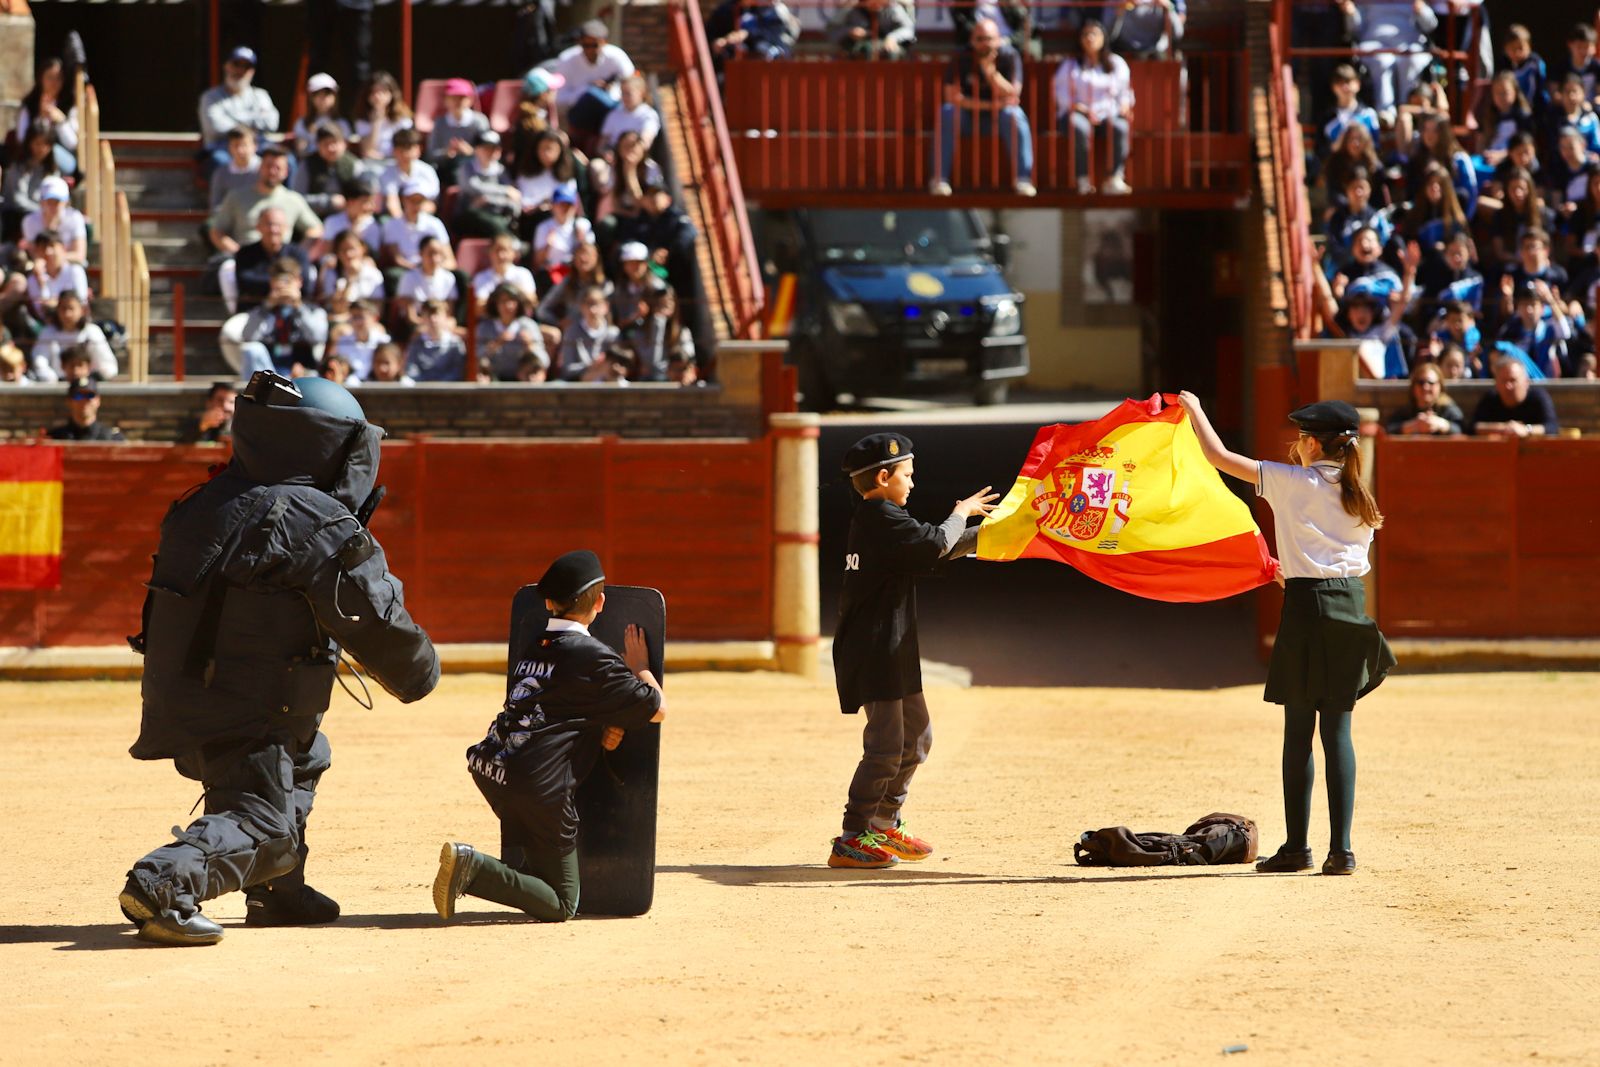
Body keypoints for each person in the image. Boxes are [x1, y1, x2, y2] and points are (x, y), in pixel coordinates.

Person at [118, 372, 438, 946]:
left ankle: (278, 889)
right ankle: (164, 881)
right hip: (249, 705)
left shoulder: (205, 499)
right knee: (265, 824)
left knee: (304, 757)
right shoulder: (313, 520)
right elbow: (378, 621)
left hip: (187, 693)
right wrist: (420, 673)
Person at [1179, 393, 1393, 878]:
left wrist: (1194, 408)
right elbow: (1337, 563)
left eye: (1302, 437)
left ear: (1315, 444)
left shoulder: (1292, 481)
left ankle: (1297, 847)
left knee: (1299, 732)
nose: (1296, 443)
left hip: (1305, 610)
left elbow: (1217, 458)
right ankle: (1342, 851)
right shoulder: (1361, 493)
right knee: (1337, 731)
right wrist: (1290, 573)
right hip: (1349, 607)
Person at [432, 549, 663, 923]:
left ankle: (477, 869)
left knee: (542, 875)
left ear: (548, 602)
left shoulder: (534, 644)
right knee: (561, 903)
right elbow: (656, 707)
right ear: (600, 602)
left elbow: (559, 709)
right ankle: (471, 867)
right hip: (539, 787)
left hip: (494, 769)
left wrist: (604, 724)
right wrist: (640, 668)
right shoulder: (593, 657)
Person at [829, 433, 998, 869]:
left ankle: (885, 821)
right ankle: (852, 836)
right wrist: (961, 513)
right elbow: (937, 543)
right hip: (873, 651)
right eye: (907, 475)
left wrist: (998, 532)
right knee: (886, 746)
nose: (912, 483)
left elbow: (936, 550)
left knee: (917, 737)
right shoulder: (879, 516)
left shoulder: (883, 518)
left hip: (891, 647)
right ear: (883, 478)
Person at [931, 19, 1036, 198]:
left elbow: (1012, 95)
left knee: (1014, 115)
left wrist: (989, 71)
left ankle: (1023, 179)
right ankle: (939, 179)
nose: (984, 43)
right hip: (968, 119)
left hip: (998, 120)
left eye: (989, 38)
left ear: (998, 39)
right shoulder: (961, 57)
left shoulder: (1009, 55)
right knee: (947, 112)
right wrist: (991, 105)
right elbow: (951, 97)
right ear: (972, 40)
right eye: (979, 39)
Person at [1053, 19, 1135, 195]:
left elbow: (1125, 92)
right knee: (1079, 127)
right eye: (1085, 34)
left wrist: (1124, 106)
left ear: (1103, 38)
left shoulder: (1116, 63)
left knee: (1120, 127)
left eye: (1094, 34)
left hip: (1108, 115)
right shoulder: (1070, 65)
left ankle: (1114, 178)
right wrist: (1082, 109)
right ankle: (1082, 180)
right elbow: (1062, 95)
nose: (1089, 38)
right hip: (1078, 114)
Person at [208, 144, 323, 255]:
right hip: (244, 259)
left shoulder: (294, 199)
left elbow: (316, 228)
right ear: (260, 167)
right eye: (268, 166)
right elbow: (217, 231)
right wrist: (239, 253)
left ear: (286, 172)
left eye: (278, 168)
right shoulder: (236, 196)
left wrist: (297, 253)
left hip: (282, 261)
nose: (272, 172)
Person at [1337, 0, 1438, 122]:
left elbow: (1431, 25)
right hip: (1374, 42)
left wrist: (1421, 10)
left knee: (1411, 59)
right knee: (1381, 60)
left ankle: (1406, 109)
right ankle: (1386, 112)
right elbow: (1355, 28)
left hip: (1409, 43)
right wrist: (1351, 13)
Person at [234, 259, 330, 376]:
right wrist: (267, 307)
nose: (283, 286)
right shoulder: (262, 311)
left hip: (302, 371)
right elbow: (248, 337)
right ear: (271, 283)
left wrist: (298, 306)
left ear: (299, 281)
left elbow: (318, 337)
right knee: (252, 350)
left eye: (288, 281)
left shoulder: (313, 311)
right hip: (268, 371)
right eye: (279, 281)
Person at [198, 46, 281, 174]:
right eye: (236, 64)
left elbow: (272, 123)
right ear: (226, 66)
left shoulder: (261, 95)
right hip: (224, 148)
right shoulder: (210, 96)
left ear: (252, 71)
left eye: (246, 67)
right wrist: (255, 119)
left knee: (284, 161)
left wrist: (233, 119)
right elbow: (216, 127)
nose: (240, 70)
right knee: (220, 162)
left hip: (257, 146)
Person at [547, 21, 637, 136]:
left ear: (604, 42)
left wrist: (611, 90)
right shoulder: (567, 59)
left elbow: (633, 85)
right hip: (578, 117)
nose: (590, 50)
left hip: (611, 114)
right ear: (579, 42)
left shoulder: (617, 57)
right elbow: (557, 98)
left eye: (594, 45)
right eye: (586, 45)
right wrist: (586, 90)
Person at [221, 207, 315, 315]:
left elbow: (306, 283)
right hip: (254, 311)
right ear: (258, 227)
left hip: (293, 310)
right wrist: (282, 285)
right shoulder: (245, 253)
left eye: (278, 225)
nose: (273, 229)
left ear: (286, 228)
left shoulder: (298, 253)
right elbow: (245, 281)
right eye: (269, 224)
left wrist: (277, 288)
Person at [30, 289, 116, 381]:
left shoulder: (92, 332)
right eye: (63, 309)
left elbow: (108, 365)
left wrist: (91, 379)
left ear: (82, 310)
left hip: (87, 387)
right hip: (56, 386)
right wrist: (52, 379)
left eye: (71, 308)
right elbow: (39, 361)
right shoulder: (48, 332)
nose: (67, 314)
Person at [16, 57, 80, 177]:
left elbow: (72, 143)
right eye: (50, 77)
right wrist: (40, 119)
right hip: (30, 159)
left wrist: (60, 120)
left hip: (59, 161)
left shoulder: (69, 105)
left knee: (49, 150)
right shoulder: (30, 105)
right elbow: (21, 138)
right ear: (41, 78)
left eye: (58, 78)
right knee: (38, 147)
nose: (54, 83)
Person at [455, 130, 522, 239]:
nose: (491, 152)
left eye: (495, 148)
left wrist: (489, 200)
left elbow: (513, 200)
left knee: (500, 221)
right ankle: (513, 243)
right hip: (468, 216)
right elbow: (473, 187)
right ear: (476, 149)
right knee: (492, 221)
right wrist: (504, 191)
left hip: (496, 214)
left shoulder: (501, 170)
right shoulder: (467, 167)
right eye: (487, 148)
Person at [1470, 355, 1558, 436]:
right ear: (1496, 383)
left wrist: (1526, 430)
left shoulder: (1538, 398)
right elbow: (1473, 427)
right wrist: (1504, 428)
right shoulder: (1490, 399)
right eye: (1504, 381)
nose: (1508, 386)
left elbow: (1552, 427)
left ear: (1526, 382)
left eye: (1513, 380)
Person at [426, 78, 490, 186]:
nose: (457, 101)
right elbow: (431, 155)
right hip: (446, 171)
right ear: (446, 100)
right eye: (453, 98)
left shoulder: (480, 121)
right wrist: (446, 153)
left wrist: (471, 152)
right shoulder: (440, 123)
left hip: (474, 171)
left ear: (470, 100)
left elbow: (489, 152)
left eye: (462, 97)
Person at [478, 283, 547, 381]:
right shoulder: (485, 327)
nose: (508, 306)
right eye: (503, 301)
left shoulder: (528, 326)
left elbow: (545, 361)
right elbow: (474, 358)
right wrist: (495, 345)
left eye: (512, 301)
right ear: (495, 304)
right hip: (493, 379)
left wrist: (530, 346)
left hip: (523, 380)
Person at [292, 124, 361, 219]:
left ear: (344, 143)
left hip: (347, 217)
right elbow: (297, 198)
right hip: (314, 217)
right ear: (317, 145)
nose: (331, 148)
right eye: (326, 144)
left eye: (335, 142)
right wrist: (327, 202)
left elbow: (362, 196)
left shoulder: (354, 164)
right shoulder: (307, 164)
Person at [706, 0, 801, 67]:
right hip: (732, 66)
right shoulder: (726, 9)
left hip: (765, 62)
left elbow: (773, 33)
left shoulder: (767, 8)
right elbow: (710, 32)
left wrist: (747, 34)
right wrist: (717, 42)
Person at [555, 284, 619, 380]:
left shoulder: (613, 334)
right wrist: (591, 366)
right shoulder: (572, 332)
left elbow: (620, 365)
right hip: (578, 383)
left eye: (597, 304)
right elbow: (567, 368)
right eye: (588, 304)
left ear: (606, 306)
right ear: (581, 307)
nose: (592, 310)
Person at [22, 176, 89, 265]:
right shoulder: (30, 221)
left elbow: (80, 255)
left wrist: (55, 258)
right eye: (49, 201)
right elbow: (34, 254)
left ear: (66, 202)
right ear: (41, 202)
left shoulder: (75, 218)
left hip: (69, 266)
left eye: (57, 201)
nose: (53, 206)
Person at [353, 71, 415, 165]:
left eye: (383, 91)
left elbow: (407, 147)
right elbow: (368, 151)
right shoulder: (362, 120)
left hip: (398, 163)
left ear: (391, 94)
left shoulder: (403, 118)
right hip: (373, 164)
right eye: (374, 92)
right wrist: (376, 122)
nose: (378, 96)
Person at [379, 128, 441, 220]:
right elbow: (391, 202)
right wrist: (403, 225)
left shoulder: (427, 171)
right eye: (401, 150)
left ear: (418, 149)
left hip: (422, 218)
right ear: (394, 151)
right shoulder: (387, 172)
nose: (405, 154)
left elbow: (431, 204)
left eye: (409, 149)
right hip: (395, 219)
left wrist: (415, 219)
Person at [1385, 362, 1463, 434]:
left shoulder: (1447, 408)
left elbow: (1462, 429)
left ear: (1440, 386)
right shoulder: (1406, 411)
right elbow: (1389, 430)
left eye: (1431, 383)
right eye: (1421, 383)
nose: (1425, 387)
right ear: (1413, 387)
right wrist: (1413, 426)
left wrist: (1441, 424)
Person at [46, 375, 126, 441]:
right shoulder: (55, 438)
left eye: (89, 396)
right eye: (78, 396)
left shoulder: (112, 438)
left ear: (98, 401)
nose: (84, 401)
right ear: (69, 401)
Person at [828, 0, 915, 60]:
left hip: (888, 47)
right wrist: (849, 31)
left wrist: (892, 37)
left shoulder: (892, 7)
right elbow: (832, 31)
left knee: (892, 53)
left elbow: (908, 29)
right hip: (859, 51)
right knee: (867, 50)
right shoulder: (851, 8)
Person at [470, 232, 538, 309]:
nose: (501, 256)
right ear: (489, 252)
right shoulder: (481, 277)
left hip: (520, 319)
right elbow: (478, 308)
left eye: (505, 250)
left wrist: (514, 289)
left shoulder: (523, 273)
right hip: (492, 320)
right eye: (497, 250)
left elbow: (532, 302)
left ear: (513, 253)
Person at [405, 299, 467, 381]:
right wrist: (425, 386)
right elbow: (411, 369)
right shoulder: (416, 343)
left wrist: (440, 387)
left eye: (436, 314)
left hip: (448, 391)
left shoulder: (455, 344)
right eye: (429, 315)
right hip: (421, 391)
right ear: (423, 317)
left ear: (445, 316)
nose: (433, 319)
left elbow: (457, 370)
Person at [291, 73, 352, 155]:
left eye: (327, 94)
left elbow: (343, 150)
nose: (323, 98)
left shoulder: (342, 123)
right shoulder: (302, 123)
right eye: (318, 94)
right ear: (311, 98)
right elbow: (301, 151)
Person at [598, 75, 660, 153]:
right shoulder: (614, 114)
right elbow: (601, 144)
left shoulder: (649, 115)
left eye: (628, 93)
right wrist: (607, 154)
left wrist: (625, 155)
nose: (624, 97)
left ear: (641, 93)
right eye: (622, 93)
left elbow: (645, 143)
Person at [1105, 0, 1184, 61]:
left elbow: (1178, 33)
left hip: (1156, 52)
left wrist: (1168, 9)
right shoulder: (1115, 2)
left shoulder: (1163, 2)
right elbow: (1107, 34)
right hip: (1124, 50)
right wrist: (1118, 12)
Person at [211, 127, 262, 211]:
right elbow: (216, 204)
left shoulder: (265, 170)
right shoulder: (221, 173)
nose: (240, 150)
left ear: (255, 146)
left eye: (244, 145)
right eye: (235, 145)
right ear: (229, 147)